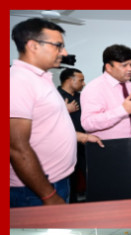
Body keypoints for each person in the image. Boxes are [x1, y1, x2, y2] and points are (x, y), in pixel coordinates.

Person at [10, 18, 104, 207]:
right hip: (35, 189)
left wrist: (83, 137)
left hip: (56, 180)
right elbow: (16, 148)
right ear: (33, 46)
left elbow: (48, 126)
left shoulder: (41, 79)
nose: (64, 52)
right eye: (58, 46)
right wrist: (48, 196)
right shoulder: (18, 82)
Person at [80, 44, 131, 140]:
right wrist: (122, 110)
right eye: (124, 65)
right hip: (109, 145)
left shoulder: (129, 85)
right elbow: (88, 123)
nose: (130, 69)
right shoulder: (94, 88)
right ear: (109, 67)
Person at [58, 67, 88, 202]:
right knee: (69, 180)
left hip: (83, 144)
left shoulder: (81, 97)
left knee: (89, 175)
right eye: (81, 80)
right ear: (70, 80)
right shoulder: (55, 96)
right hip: (64, 146)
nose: (84, 83)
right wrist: (64, 110)